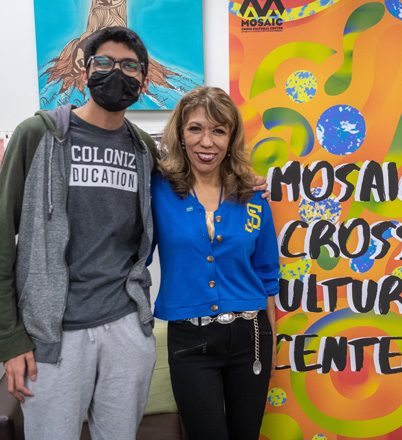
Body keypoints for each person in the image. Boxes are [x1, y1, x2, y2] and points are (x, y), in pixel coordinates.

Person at [0, 26, 160, 439]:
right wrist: (11, 340)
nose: (116, 73)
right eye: (104, 62)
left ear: (143, 79)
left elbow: (192, 187)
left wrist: (241, 182)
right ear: (84, 69)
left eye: (129, 66)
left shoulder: (144, 149)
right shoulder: (36, 135)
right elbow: (1, 240)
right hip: (53, 335)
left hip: (125, 326)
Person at [151, 86, 279, 439]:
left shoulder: (252, 195)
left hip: (251, 335)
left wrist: (271, 343)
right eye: (195, 129)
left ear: (231, 137)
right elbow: (136, 254)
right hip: (189, 339)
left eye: (218, 130)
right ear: (180, 133)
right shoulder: (157, 190)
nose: (207, 142)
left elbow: (268, 274)